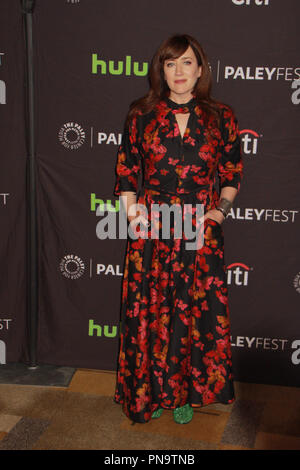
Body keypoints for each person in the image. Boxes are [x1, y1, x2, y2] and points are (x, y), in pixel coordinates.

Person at [113, 34, 243, 424]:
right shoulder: (141, 115)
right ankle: (148, 396)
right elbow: (126, 174)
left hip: (200, 231)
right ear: (161, 71)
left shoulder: (222, 116)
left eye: (187, 63)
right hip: (152, 230)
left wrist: (218, 212)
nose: (179, 72)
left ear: (201, 70)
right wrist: (135, 218)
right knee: (151, 313)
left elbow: (232, 172)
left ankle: (183, 394)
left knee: (193, 315)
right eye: (170, 64)